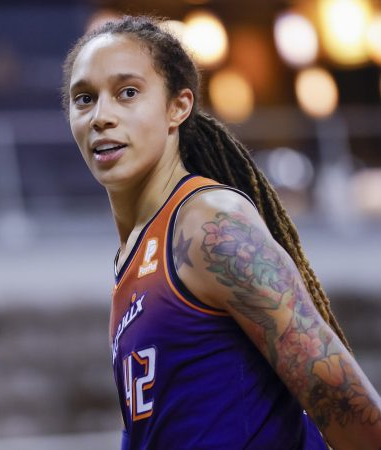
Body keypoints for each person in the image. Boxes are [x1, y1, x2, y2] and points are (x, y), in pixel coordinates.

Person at [62, 15, 381, 450]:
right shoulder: (133, 255)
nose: (101, 116)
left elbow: (347, 402)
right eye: (84, 99)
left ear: (178, 106)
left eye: (128, 93)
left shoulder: (208, 224)